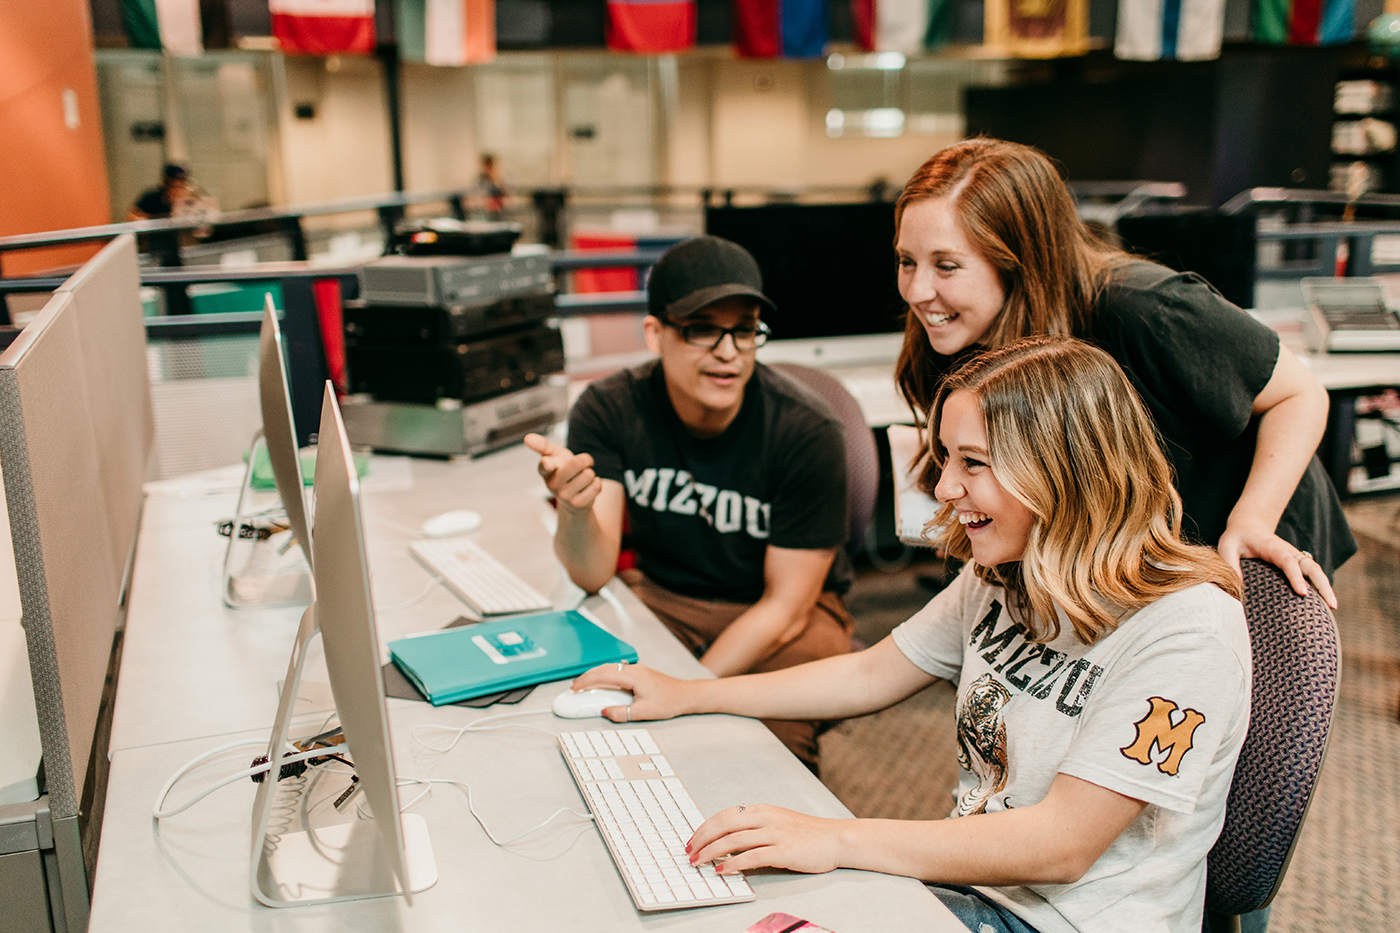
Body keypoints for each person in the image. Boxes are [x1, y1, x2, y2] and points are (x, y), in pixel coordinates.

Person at [572, 336, 1252, 933]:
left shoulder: (1188, 626)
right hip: (972, 887)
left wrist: (834, 837)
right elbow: (869, 673)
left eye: (973, 462)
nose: (945, 485)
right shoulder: (1007, 572)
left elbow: (1062, 844)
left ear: (1064, 472)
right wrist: (690, 693)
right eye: (945, 457)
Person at [891, 138, 1353, 609]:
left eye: (946, 266)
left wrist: (1252, 519)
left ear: (1020, 260)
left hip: (1239, 528)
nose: (917, 290)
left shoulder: (1149, 309)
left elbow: (1300, 394)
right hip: (1126, 553)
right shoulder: (961, 335)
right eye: (907, 262)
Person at [523, 235, 854, 772]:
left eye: (744, 329)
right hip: (665, 600)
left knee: (758, 751)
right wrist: (576, 510)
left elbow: (786, 608)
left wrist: (686, 693)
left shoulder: (806, 430)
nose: (728, 351)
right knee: (586, 711)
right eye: (702, 328)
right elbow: (590, 575)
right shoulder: (610, 408)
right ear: (655, 333)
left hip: (785, 615)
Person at [478, 153, 507, 220]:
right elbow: (480, 188)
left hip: (497, 202)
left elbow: (501, 188)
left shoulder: (496, 175)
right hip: (488, 203)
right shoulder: (482, 176)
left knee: (498, 217)